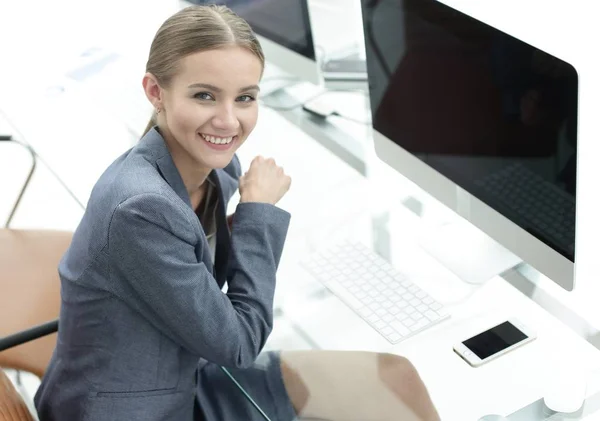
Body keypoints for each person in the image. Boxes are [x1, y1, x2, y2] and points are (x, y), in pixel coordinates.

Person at [33, 5, 440, 421]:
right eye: (204, 95)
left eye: (245, 97)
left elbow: (202, 291)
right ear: (156, 92)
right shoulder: (142, 208)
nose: (229, 121)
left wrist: (242, 227)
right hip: (136, 409)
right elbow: (239, 345)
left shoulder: (217, 169)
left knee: (395, 378)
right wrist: (257, 213)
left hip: (186, 372)